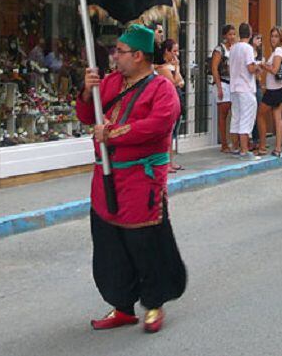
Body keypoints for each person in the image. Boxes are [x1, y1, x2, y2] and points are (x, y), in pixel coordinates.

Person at [77, 24, 185, 334]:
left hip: (141, 179)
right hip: (105, 177)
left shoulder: (161, 88)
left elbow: (159, 124)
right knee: (109, 244)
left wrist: (112, 134)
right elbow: (87, 115)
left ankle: (153, 303)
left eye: (120, 52)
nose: (114, 56)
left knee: (144, 243)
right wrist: (87, 90)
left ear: (138, 56)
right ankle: (122, 306)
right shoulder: (110, 82)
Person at [257, 26, 282, 157]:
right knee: (277, 118)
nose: (273, 38)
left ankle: (263, 146)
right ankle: (277, 149)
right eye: (272, 36)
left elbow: (275, 70)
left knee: (260, 114)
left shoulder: (278, 52)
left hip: (275, 90)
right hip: (281, 88)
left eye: (276, 36)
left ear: (281, 38)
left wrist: (263, 65)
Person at [229, 23, 261, 158]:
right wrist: (258, 67)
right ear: (250, 33)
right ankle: (244, 149)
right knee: (246, 119)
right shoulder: (247, 48)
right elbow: (250, 68)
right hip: (246, 87)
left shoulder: (233, 48)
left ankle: (235, 147)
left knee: (236, 117)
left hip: (234, 87)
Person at [157, 39, 186, 172]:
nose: (176, 54)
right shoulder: (162, 68)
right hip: (167, 102)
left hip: (176, 101)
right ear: (166, 52)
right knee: (167, 133)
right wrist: (177, 70)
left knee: (173, 133)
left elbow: (182, 81)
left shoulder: (171, 67)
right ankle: (166, 163)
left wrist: (177, 71)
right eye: (174, 51)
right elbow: (174, 82)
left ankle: (170, 161)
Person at [211, 25, 236, 153]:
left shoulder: (234, 49)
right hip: (223, 83)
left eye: (233, 34)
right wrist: (219, 86)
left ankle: (233, 141)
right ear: (224, 35)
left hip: (232, 84)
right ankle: (224, 143)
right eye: (230, 34)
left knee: (233, 113)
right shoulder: (219, 50)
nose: (232, 37)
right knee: (223, 112)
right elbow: (214, 68)